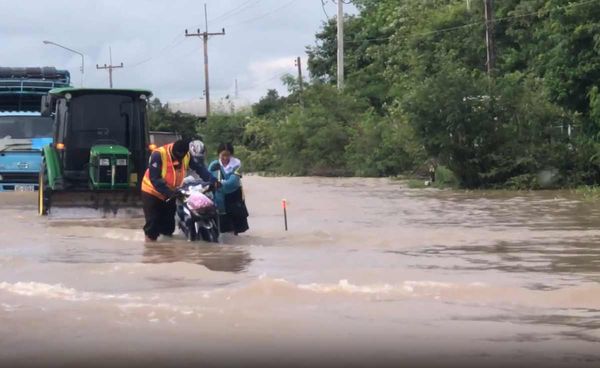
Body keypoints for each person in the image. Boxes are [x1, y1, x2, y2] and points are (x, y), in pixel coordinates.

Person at [141, 139, 217, 242]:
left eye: (182, 157)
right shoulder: (158, 154)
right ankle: (150, 245)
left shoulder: (186, 156)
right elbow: (155, 178)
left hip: (172, 192)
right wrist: (170, 193)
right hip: (152, 192)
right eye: (178, 157)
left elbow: (200, 169)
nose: (180, 160)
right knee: (153, 225)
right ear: (173, 151)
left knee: (168, 227)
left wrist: (213, 180)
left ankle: (167, 252)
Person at [208, 143, 249, 235]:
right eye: (223, 155)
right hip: (219, 198)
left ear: (231, 155)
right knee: (222, 224)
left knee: (235, 224)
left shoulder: (237, 165)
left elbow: (233, 181)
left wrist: (219, 183)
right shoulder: (214, 165)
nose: (225, 158)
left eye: (228, 155)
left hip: (234, 196)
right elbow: (207, 177)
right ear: (219, 154)